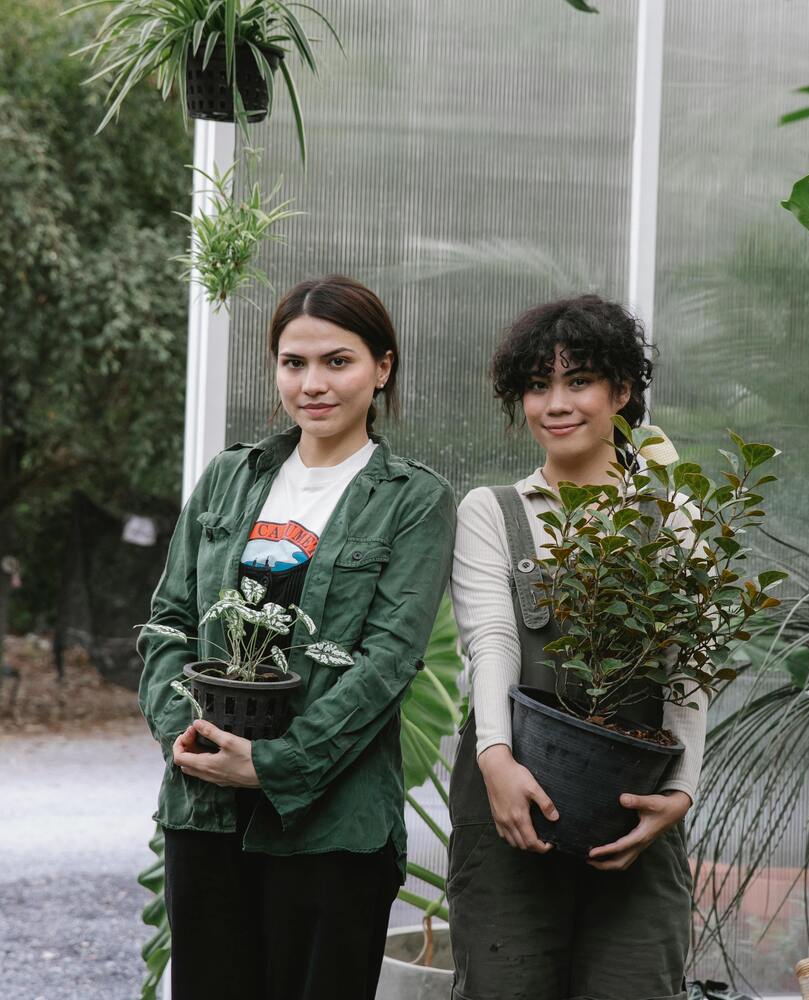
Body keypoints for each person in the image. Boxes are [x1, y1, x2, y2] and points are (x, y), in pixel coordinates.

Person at [137, 275, 456, 1000]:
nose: (313, 383)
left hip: (331, 824)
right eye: (293, 362)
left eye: (337, 361)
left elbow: (387, 661)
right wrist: (179, 735)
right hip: (206, 809)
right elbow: (168, 623)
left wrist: (274, 764)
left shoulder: (414, 499)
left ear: (383, 367)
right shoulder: (228, 480)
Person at [448, 294, 705, 1000]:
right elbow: (492, 643)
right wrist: (496, 758)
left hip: (634, 807)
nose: (555, 404)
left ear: (622, 392)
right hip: (508, 803)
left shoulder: (672, 515)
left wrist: (680, 792)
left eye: (579, 380)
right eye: (537, 384)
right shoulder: (491, 511)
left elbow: (688, 663)